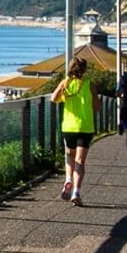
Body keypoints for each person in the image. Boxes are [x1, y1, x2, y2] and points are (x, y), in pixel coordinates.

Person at [54, 57, 94, 205]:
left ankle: (68, 180)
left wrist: (63, 95)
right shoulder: (89, 84)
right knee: (80, 160)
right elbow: (97, 105)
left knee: (69, 156)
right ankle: (76, 192)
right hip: (85, 126)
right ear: (84, 69)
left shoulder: (65, 83)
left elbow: (53, 98)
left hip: (68, 126)